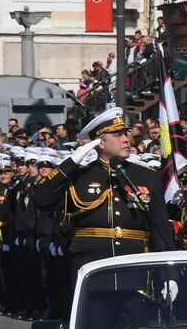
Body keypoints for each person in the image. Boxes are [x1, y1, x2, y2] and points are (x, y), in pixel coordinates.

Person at [35, 107, 176, 276]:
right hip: (91, 269)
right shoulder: (80, 176)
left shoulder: (147, 177)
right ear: (100, 143)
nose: (126, 139)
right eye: (118, 135)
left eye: (126, 133)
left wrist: (169, 272)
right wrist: (71, 163)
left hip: (136, 269)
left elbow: (160, 227)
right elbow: (42, 200)